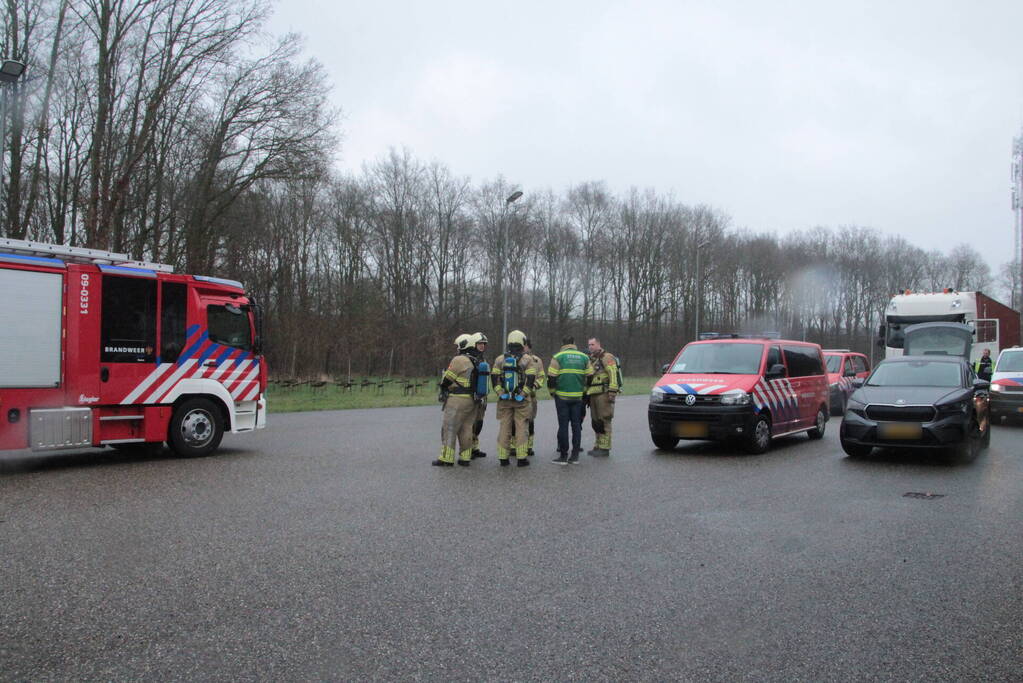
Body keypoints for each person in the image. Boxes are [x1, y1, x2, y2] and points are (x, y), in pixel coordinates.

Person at [491, 329, 537, 467]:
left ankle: (503, 458)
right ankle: (521, 458)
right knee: (521, 427)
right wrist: (523, 394)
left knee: (504, 427)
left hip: (504, 399)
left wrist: (500, 393)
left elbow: (494, 378)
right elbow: (531, 378)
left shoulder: (500, 359)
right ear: (522, 342)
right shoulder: (527, 359)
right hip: (521, 401)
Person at [547, 335, 594, 464]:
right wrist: (585, 390)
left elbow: (551, 378)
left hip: (561, 397)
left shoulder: (557, 357)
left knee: (563, 426)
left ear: (563, 344)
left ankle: (563, 456)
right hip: (578, 397)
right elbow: (590, 375)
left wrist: (552, 392)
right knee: (576, 426)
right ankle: (575, 457)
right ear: (574, 343)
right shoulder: (584, 357)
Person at [432, 334, 477, 467]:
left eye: (458, 346)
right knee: (466, 428)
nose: (456, 349)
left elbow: (448, 379)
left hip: (457, 399)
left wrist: (443, 386)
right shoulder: (475, 360)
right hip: (471, 400)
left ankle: (447, 458)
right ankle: (465, 457)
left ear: (462, 345)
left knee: (449, 428)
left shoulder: (459, 360)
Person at [586, 337, 620, 456]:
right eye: (589, 345)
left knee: (604, 419)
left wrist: (612, 392)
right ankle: (598, 445)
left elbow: (613, 374)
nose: (590, 347)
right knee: (596, 422)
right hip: (593, 395)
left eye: (593, 344)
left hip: (604, 394)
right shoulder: (591, 360)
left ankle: (605, 448)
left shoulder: (607, 357)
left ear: (599, 344)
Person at [523, 338, 546, 456]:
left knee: (530, 421)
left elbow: (542, 377)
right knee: (513, 422)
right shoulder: (514, 359)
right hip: (517, 396)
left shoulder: (537, 361)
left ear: (529, 347)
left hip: (531, 397)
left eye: (525, 346)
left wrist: (535, 385)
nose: (523, 348)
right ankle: (513, 445)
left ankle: (529, 445)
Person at [469, 332, 490, 459]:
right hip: (473, 396)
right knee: (470, 424)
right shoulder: (469, 359)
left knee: (479, 423)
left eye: (483, 344)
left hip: (483, 397)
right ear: (473, 344)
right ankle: (469, 448)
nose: (482, 346)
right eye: (480, 344)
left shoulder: (483, 359)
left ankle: (475, 447)